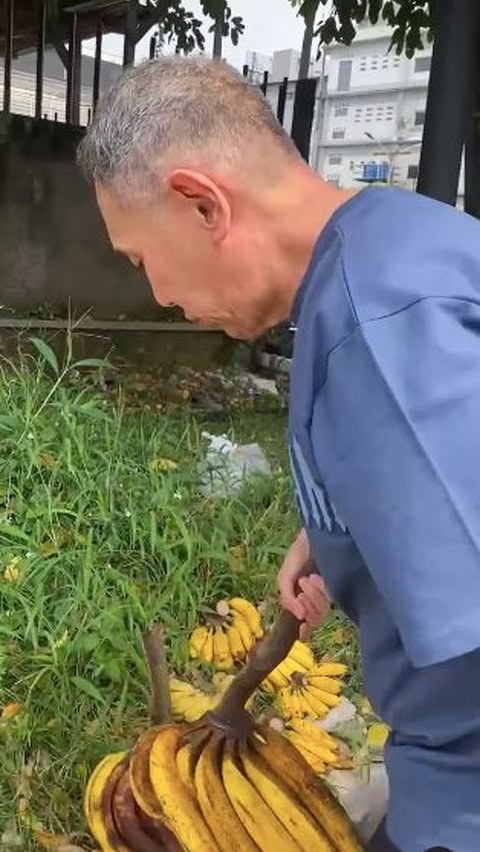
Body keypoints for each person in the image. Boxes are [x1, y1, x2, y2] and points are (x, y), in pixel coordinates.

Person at [78, 57, 480, 852]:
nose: (158, 294)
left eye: (138, 258)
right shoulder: (396, 242)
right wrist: (344, 527)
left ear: (201, 204)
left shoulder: (373, 330)